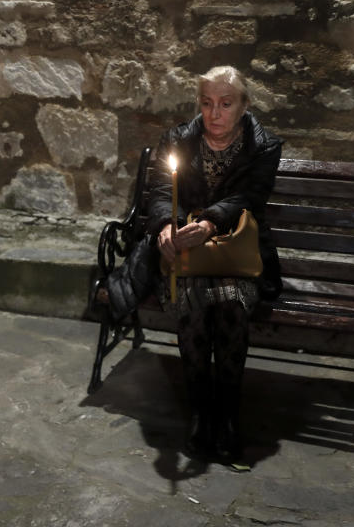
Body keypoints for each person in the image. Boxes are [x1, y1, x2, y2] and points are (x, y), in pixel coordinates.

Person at [106, 65, 283, 462]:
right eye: (207, 103)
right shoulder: (177, 140)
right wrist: (167, 225)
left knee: (231, 306)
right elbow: (157, 192)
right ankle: (202, 414)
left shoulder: (264, 146)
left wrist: (209, 222)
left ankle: (228, 416)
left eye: (225, 104)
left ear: (243, 106)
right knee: (194, 305)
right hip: (183, 257)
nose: (214, 113)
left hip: (235, 255)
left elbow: (252, 197)